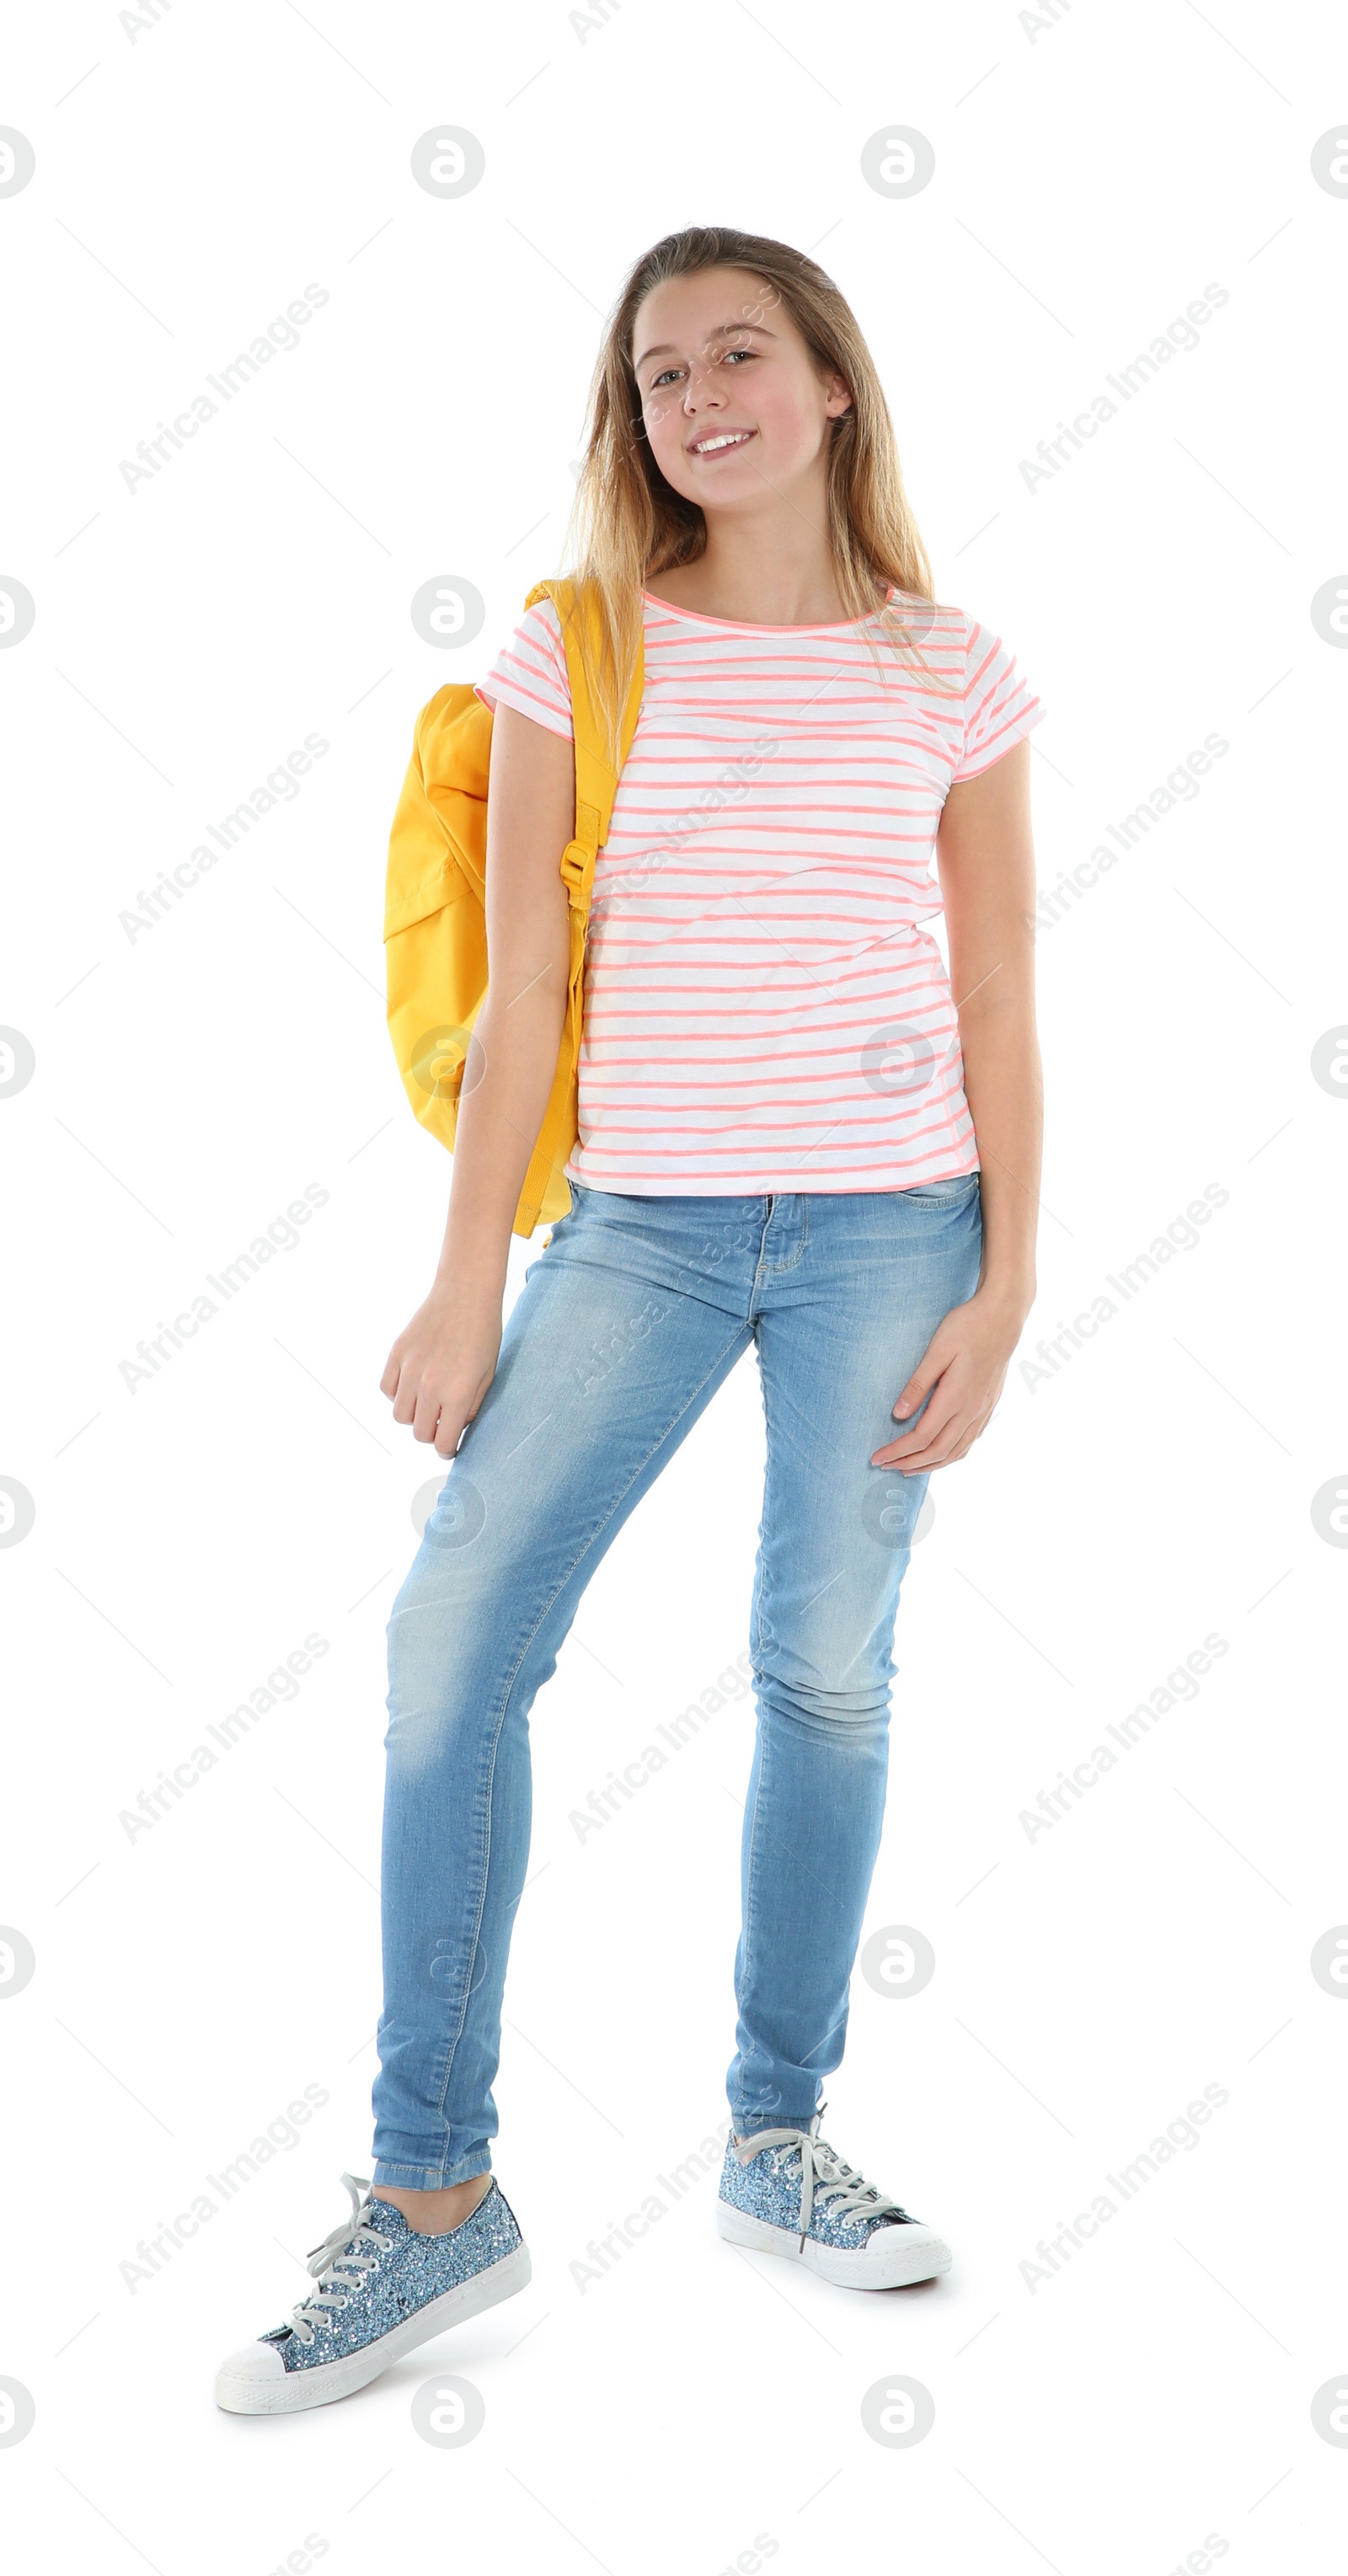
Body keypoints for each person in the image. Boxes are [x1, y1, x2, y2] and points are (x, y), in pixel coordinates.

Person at [216, 223, 1043, 2414]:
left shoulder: (949, 670)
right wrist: (467, 1271)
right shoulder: (574, 644)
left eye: (740, 354)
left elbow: (994, 995)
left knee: (825, 1668)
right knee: (452, 1649)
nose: (700, 398)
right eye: (662, 372)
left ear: (832, 384)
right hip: (646, 1228)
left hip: (894, 1231)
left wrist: (1014, 1275)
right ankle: (430, 2200)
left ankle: (779, 2139)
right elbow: (516, 1014)